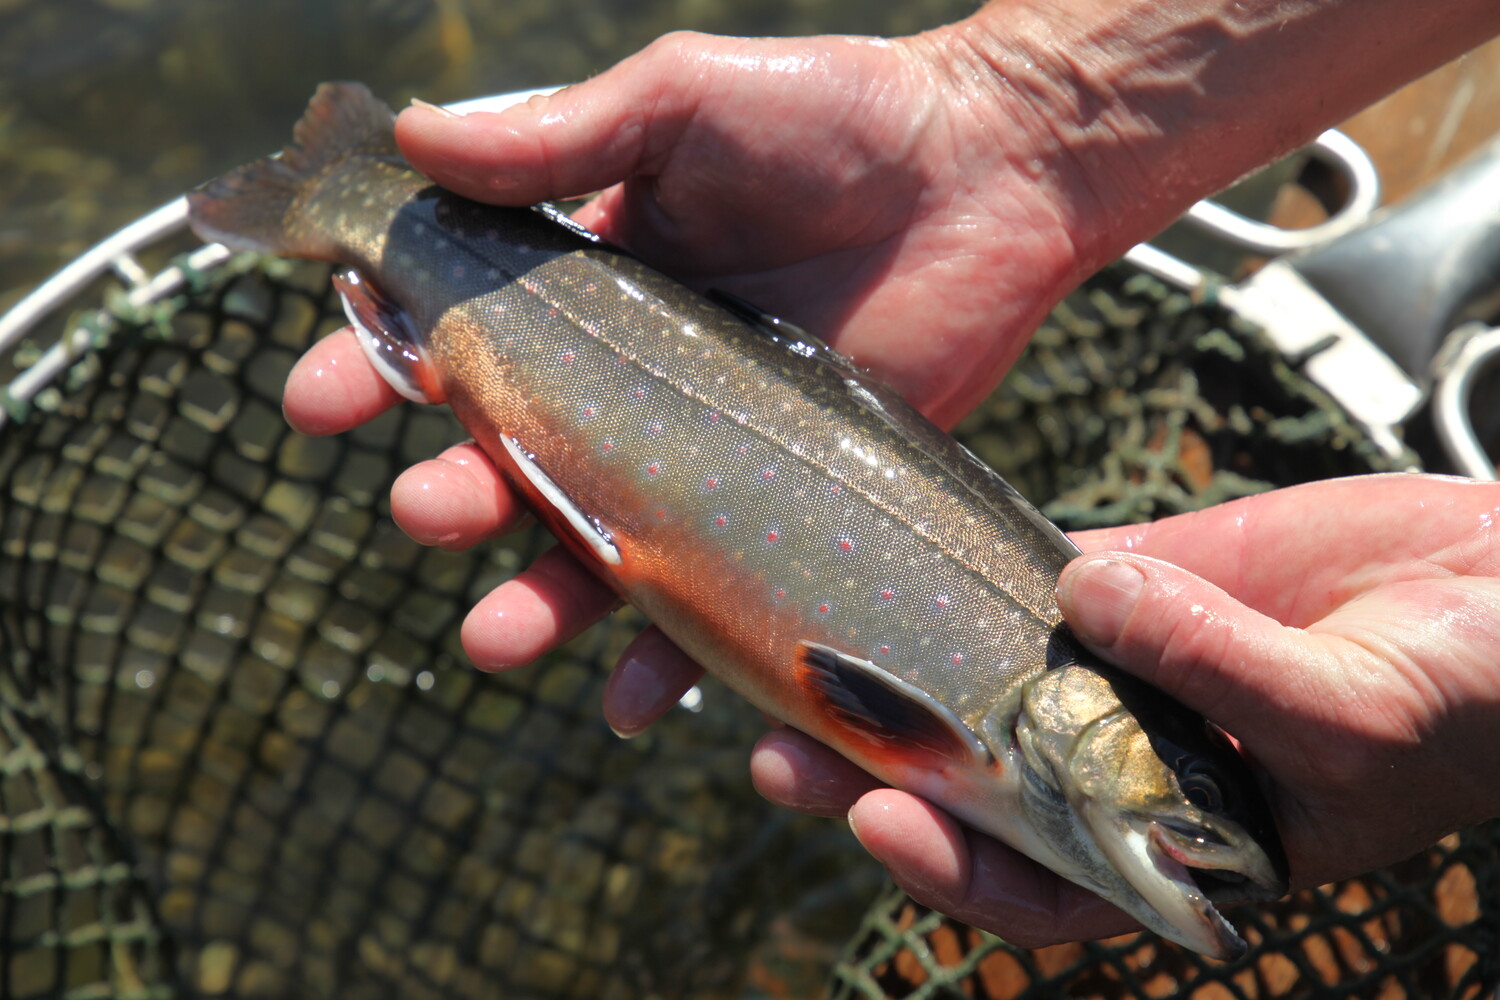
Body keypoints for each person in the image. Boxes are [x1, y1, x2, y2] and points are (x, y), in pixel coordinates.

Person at [280, 0, 1500, 949]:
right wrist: (1015, 107)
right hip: (616, 368)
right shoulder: (970, 743)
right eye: (1183, 782)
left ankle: (379, 233)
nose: (1195, 825)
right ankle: (359, 210)